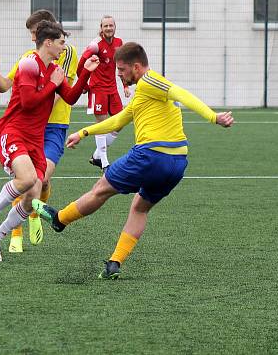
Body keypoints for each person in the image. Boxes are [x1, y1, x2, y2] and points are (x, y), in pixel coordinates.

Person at [33, 42, 234, 279]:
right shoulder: (144, 94)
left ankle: (59, 219)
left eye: (121, 69)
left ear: (136, 67)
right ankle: (114, 263)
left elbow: (180, 93)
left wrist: (213, 117)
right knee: (140, 208)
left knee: (101, 189)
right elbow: (118, 120)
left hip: (150, 156)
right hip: (177, 164)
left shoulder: (150, 81)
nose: (118, 75)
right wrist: (84, 132)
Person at [0, 21, 99, 262]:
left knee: (32, 198)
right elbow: (29, 102)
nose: (65, 48)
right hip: (14, 131)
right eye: (62, 43)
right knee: (27, 179)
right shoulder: (29, 64)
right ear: (48, 42)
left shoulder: (55, 69)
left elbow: (71, 97)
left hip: (35, 138)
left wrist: (86, 71)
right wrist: (53, 83)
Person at [77, 15, 131, 170]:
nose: (108, 28)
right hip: (97, 89)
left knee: (120, 122)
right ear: (101, 28)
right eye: (105, 26)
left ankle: (97, 155)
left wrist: (125, 85)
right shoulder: (95, 45)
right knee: (102, 125)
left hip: (112, 89)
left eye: (111, 25)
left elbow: (121, 67)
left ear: (115, 27)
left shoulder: (119, 43)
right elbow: (80, 66)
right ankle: (105, 163)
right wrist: (84, 86)